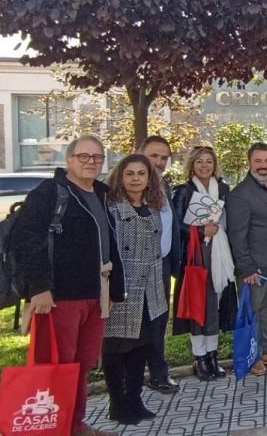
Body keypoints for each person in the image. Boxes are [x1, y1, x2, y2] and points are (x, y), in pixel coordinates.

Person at [9, 135, 125, 436]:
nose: (91, 162)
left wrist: (113, 291)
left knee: (82, 365)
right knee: (56, 365)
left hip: (94, 294)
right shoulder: (50, 192)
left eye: (97, 157)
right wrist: (39, 287)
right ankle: (50, 427)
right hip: (59, 296)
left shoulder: (101, 193)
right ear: (69, 160)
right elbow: (25, 239)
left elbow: (110, 244)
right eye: (83, 156)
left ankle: (74, 423)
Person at [102, 155, 167, 425]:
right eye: (130, 173)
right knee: (117, 348)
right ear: (121, 176)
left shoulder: (153, 208)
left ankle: (135, 399)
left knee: (141, 347)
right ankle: (118, 403)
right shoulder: (113, 209)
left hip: (149, 289)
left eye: (142, 173)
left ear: (150, 178)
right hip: (124, 287)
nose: (136, 179)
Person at [171, 146, 235, 379]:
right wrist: (199, 230)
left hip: (219, 252)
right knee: (199, 305)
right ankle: (199, 359)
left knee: (215, 305)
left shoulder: (224, 189)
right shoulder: (184, 192)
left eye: (209, 161)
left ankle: (212, 356)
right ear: (192, 165)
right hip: (195, 256)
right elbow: (177, 224)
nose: (205, 166)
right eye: (200, 162)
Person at [226, 142, 267, 375]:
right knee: (251, 312)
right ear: (249, 163)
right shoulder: (240, 195)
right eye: (258, 161)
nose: (263, 166)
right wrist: (247, 267)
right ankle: (250, 357)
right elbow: (237, 235)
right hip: (254, 267)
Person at [138, 135, 180, 394]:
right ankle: (128, 377)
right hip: (135, 267)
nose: (160, 161)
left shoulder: (164, 185)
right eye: (154, 156)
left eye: (164, 157)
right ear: (140, 153)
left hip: (161, 264)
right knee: (135, 323)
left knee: (158, 321)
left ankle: (157, 373)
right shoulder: (129, 184)